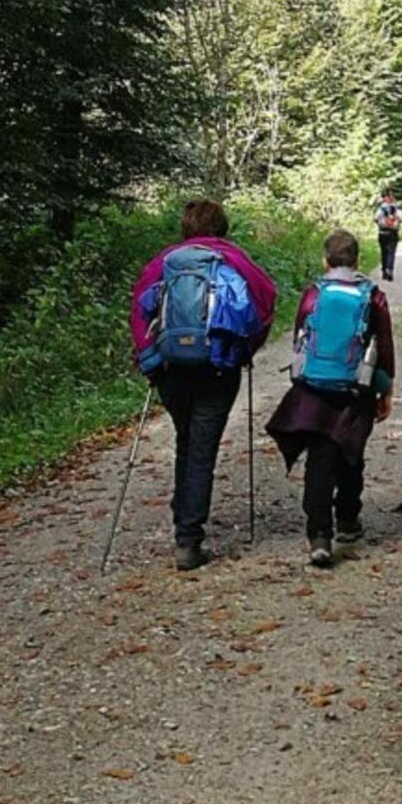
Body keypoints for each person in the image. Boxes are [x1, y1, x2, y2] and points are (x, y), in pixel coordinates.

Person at [129, 199, 277, 571]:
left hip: (171, 368)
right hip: (218, 366)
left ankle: (184, 513)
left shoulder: (163, 262)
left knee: (185, 438)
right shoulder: (235, 260)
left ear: (185, 227)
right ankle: (188, 538)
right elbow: (265, 304)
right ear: (221, 227)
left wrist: (149, 360)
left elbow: (140, 311)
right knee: (202, 448)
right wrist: (244, 349)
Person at [266, 230, 396, 567]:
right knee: (351, 454)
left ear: (326, 260)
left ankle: (319, 536)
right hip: (356, 388)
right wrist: (385, 389)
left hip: (315, 388)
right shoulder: (373, 296)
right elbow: (384, 345)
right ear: (357, 260)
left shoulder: (314, 293)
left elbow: (300, 336)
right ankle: (348, 521)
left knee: (319, 459)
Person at [374, 189, 402, 281]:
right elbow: (401, 218)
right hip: (393, 233)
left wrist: (380, 224)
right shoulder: (396, 208)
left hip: (382, 232)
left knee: (384, 252)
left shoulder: (381, 208)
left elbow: (376, 218)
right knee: (391, 252)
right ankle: (389, 269)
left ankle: (384, 271)